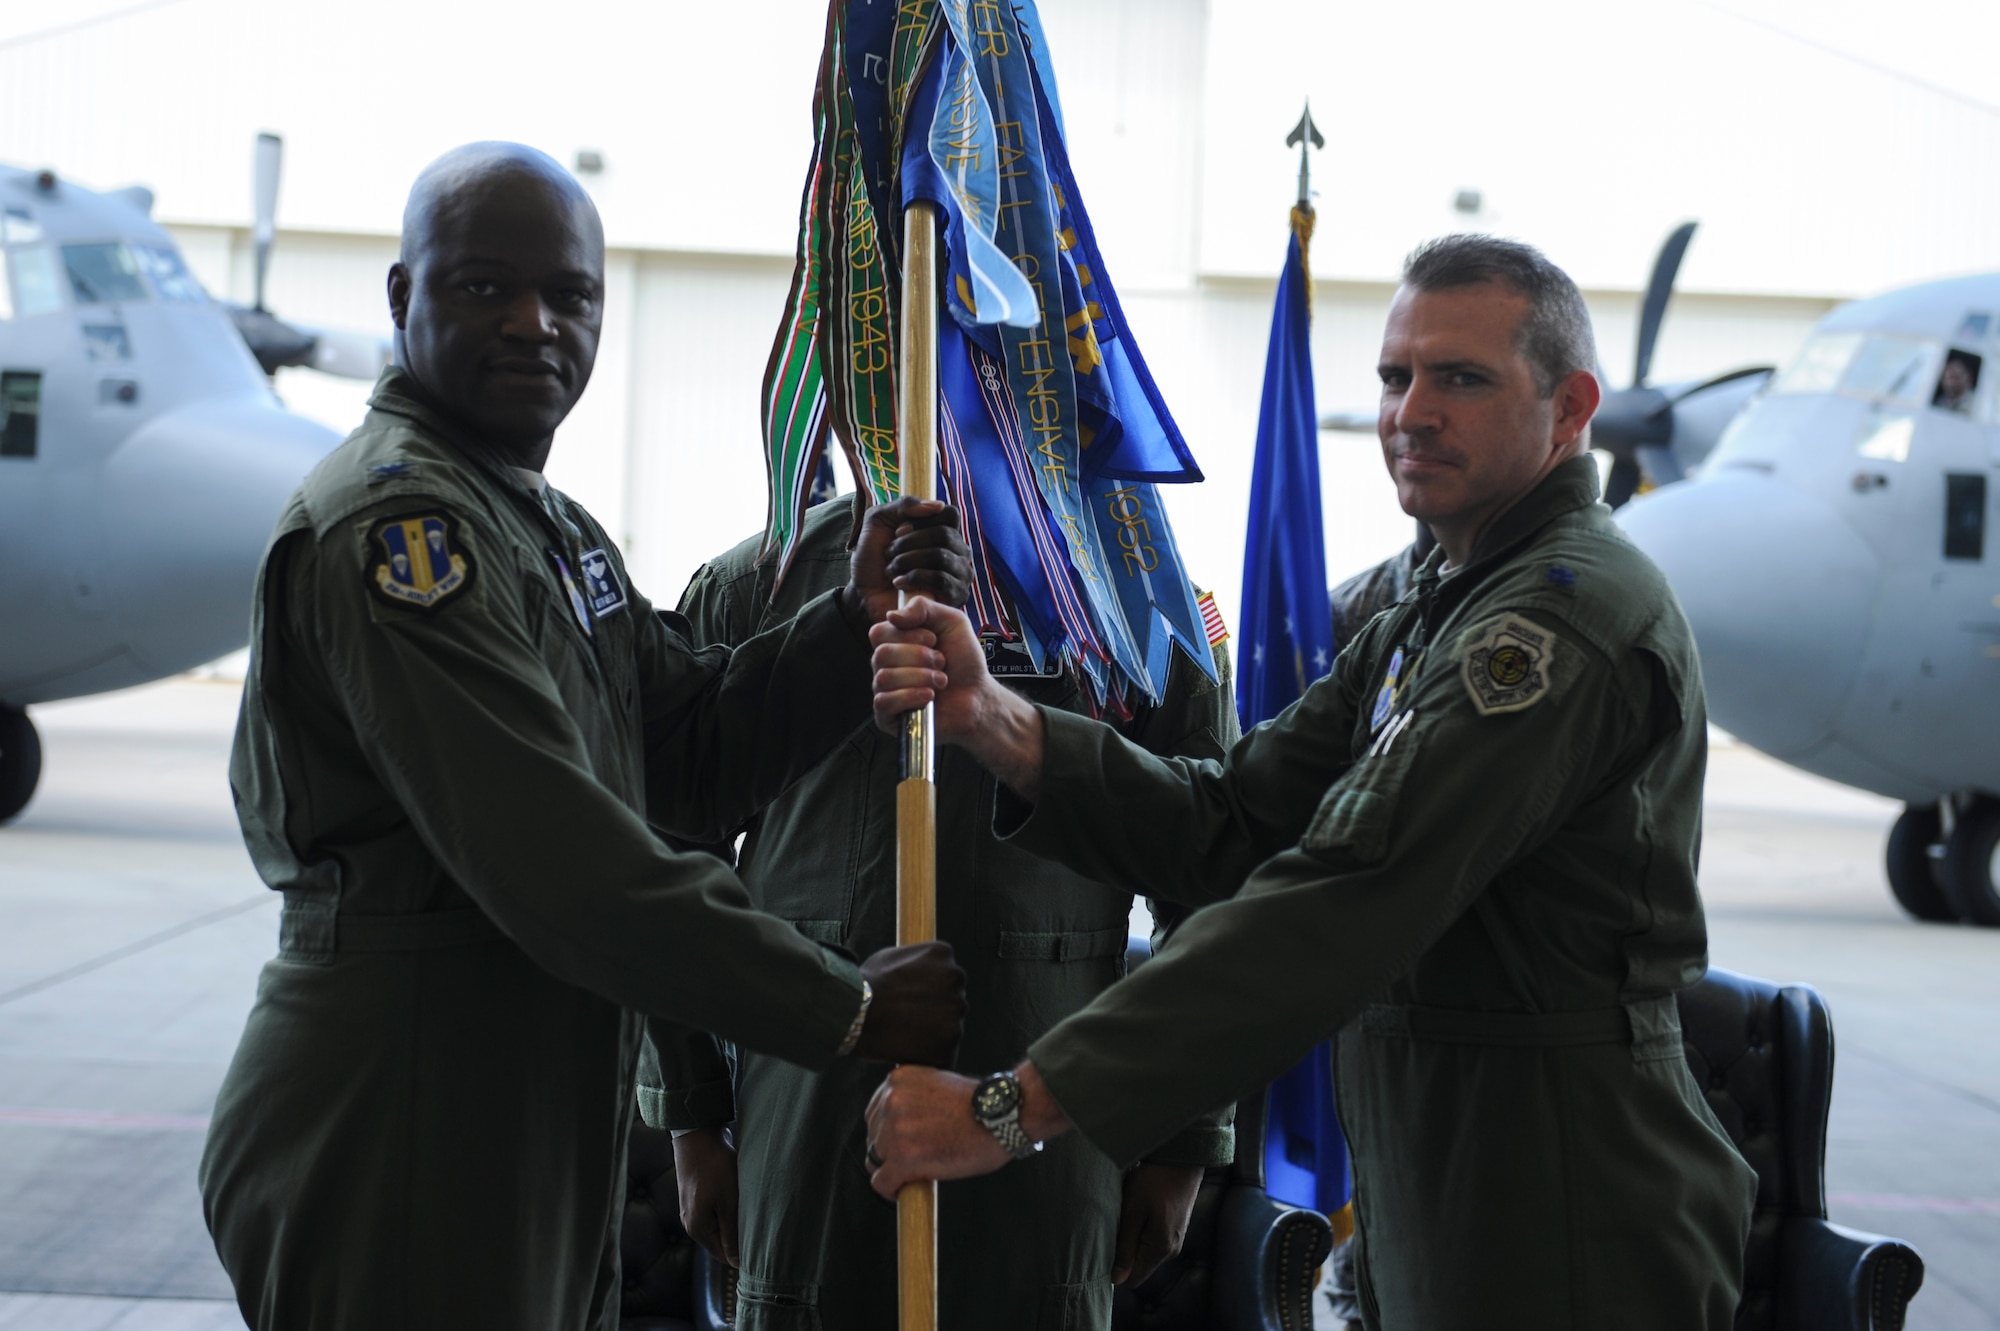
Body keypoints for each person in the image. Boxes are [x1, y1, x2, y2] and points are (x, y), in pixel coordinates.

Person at [863, 234, 1759, 1329]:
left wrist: (1013, 1109)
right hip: (1444, 1175)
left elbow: (1339, 897)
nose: (1410, 413)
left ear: (1569, 407)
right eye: (1394, 376)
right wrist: (994, 720)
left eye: (1460, 379)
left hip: (1564, 1198)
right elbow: (1235, 821)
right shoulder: (1435, 601)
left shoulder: (1552, 624)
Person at [199, 143, 968, 1331]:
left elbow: (684, 752)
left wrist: (848, 622)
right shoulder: (402, 532)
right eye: (484, 287)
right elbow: (558, 859)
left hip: (513, 1101)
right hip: (405, 1101)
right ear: (401, 296)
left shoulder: (541, 525)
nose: (534, 323)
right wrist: (840, 1005)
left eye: (570, 295)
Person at [646, 493, 1238, 1329]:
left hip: (1045, 1121)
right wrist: (693, 1112)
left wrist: (1184, 1144)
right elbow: (674, 846)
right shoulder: (759, 581)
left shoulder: (1139, 588)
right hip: (806, 1122)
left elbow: (1209, 877)